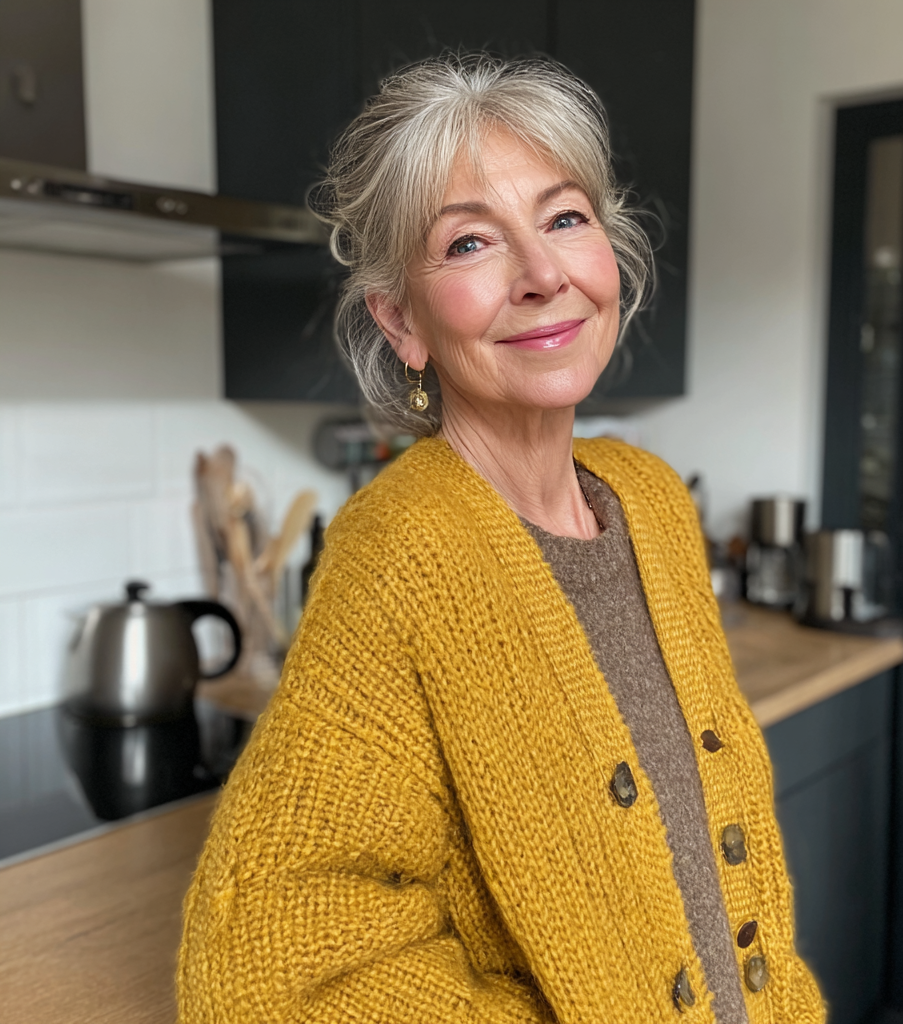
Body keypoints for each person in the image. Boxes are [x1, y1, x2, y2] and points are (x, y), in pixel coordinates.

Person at [177, 53, 824, 1024]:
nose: (541, 273)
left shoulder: (648, 499)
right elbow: (272, 970)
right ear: (401, 321)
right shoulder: (401, 549)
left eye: (565, 219)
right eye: (471, 243)